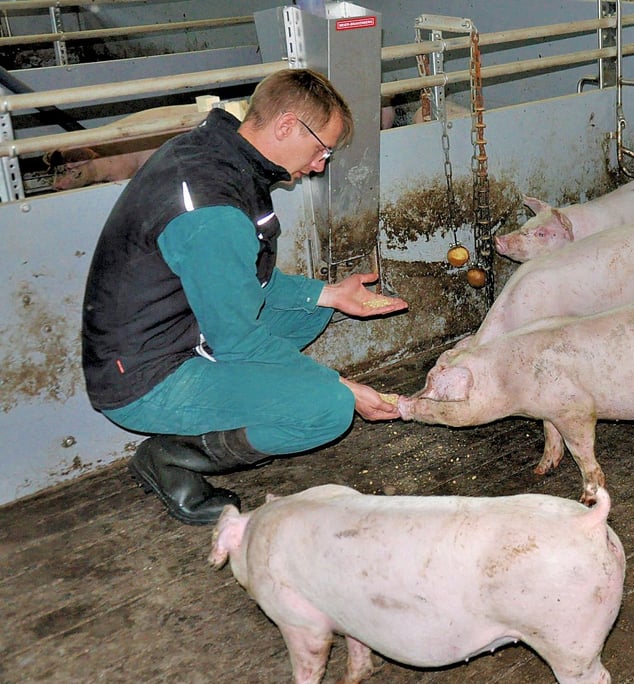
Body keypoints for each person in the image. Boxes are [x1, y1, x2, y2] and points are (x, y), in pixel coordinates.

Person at [81, 68, 408, 525]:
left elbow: (253, 283)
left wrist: (332, 294)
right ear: (287, 125)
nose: (320, 164)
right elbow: (240, 340)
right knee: (327, 409)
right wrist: (340, 387)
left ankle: (253, 393)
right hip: (146, 376)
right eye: (321, 149)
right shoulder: (212, 209)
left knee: (306, 312)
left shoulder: (224, 155)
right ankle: (173, 458)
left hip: (177, 329)